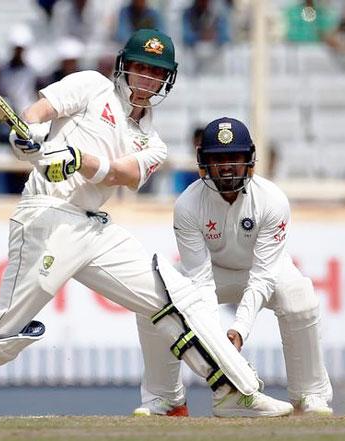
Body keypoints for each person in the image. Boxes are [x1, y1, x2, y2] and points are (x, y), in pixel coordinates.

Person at [0, 29, 293, 421]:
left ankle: (233, 389)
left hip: (94, 228)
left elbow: (121, 175)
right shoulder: (92, 85)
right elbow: (37, 112)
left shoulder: (152, 142)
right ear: (124, 66)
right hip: (48, 214)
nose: (146, 79)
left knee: (174, 296)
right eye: (141, 68)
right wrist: (29, 134)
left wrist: (77, 159)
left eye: (157, 73)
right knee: (3, 335)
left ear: (168, 81)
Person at [134, 117, 333, 417]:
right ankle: (166, 399)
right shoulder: (188, 205)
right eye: (218, 159)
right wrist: (220, 350)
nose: (226, 167)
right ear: (205, 163)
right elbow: (201, 284)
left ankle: (310, 395)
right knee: (151, 300)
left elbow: (263, 278)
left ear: (248, 160)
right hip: (212, 273)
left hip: (264, 269)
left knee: (299, 296)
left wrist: (238, 330)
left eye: (234, 158)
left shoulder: (272, 201)